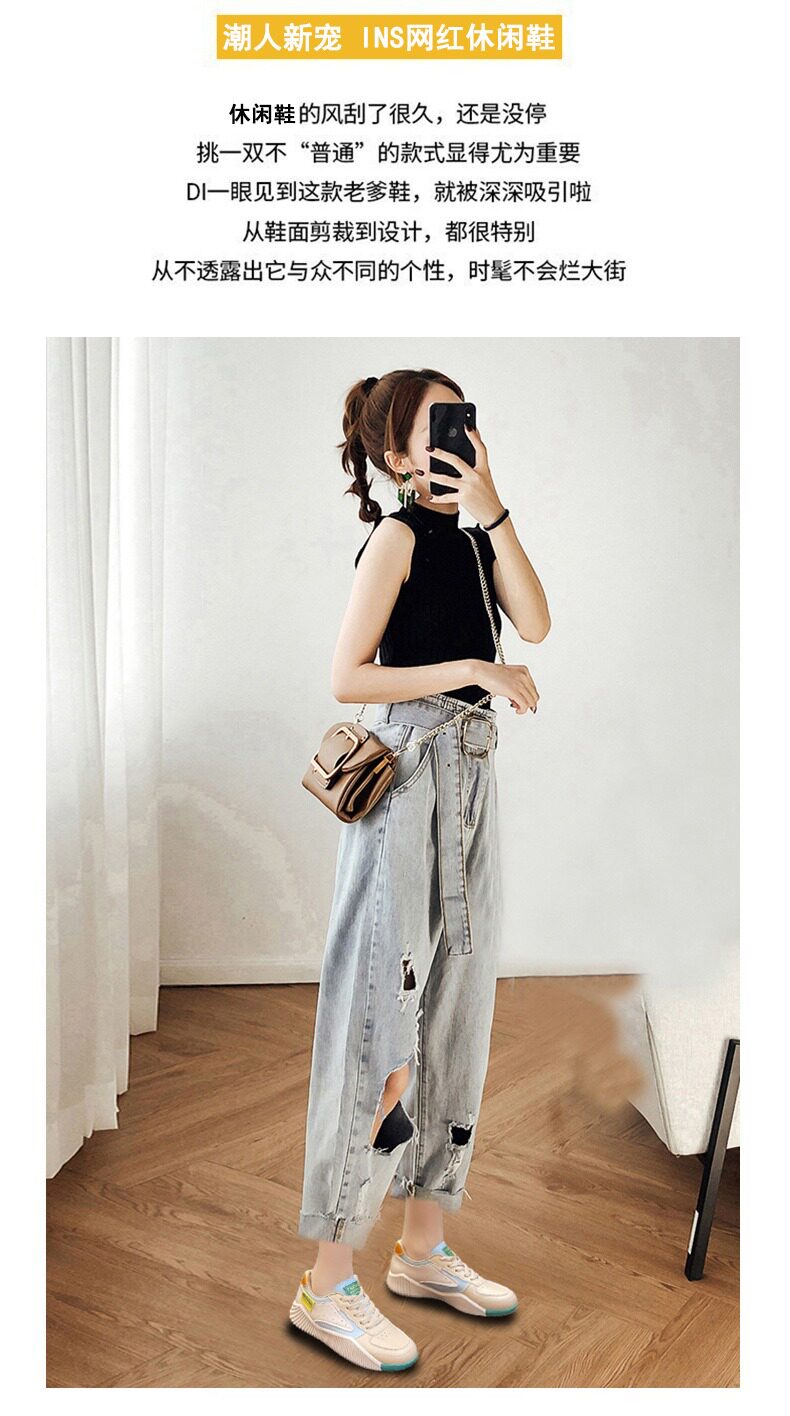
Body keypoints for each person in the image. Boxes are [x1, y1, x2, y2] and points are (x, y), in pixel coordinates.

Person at [290, 368, 551, 1373]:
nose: (456, 439)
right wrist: (473, 669)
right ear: (398, 454)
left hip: (475, 780)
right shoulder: (395, 538)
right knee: (381, 1027)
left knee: (455, 1015)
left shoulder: (478, 540)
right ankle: (326, 1284)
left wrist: (494, 507)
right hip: (407, 778)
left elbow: (536, 623)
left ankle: (421, 1249)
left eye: (463, 420)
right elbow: (347, 676)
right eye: (436, 426)